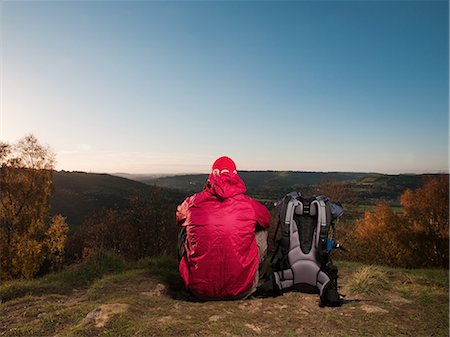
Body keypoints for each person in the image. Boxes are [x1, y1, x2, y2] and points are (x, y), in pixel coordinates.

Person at [176, 156, 270, 300]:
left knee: (185, 227)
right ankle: (254, 276)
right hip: (241, 290)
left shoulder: (191, 202)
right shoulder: (249, 205)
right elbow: (266, 219)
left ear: (211, 175)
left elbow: (178, 218)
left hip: (198, 291)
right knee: (261, 229)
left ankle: (194, 273)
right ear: (235, 175)